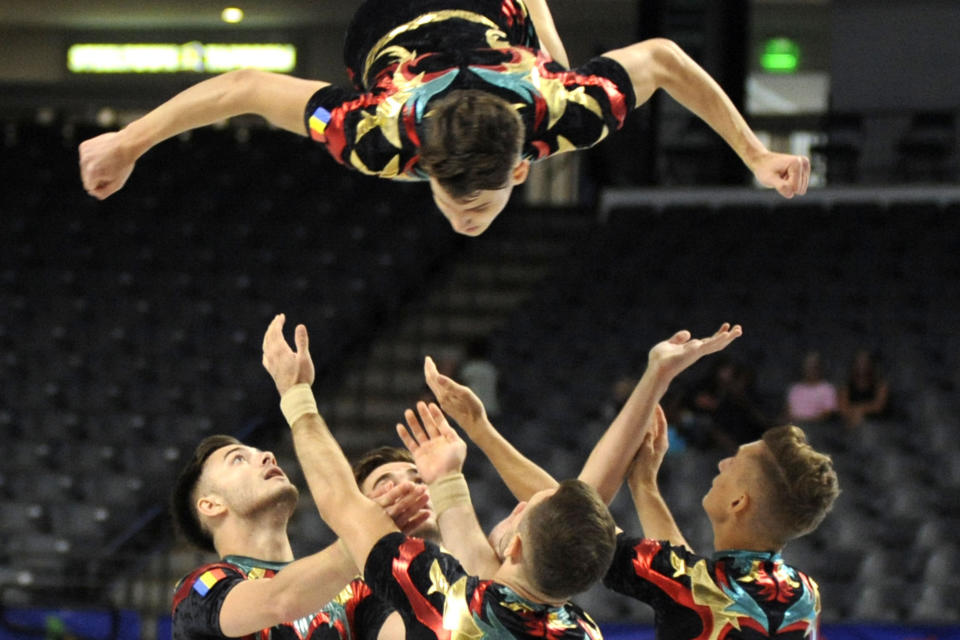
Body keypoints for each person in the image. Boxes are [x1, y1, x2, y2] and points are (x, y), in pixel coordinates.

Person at [78, 0, 810, 236]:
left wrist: (755, 155)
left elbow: (667, 57)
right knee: (549, 57)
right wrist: (126, 141)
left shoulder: (560, 112)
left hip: (427, 18)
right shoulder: (381, 137)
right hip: (462, 15)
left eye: (477, 201)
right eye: (462, 200)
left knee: (549, 58)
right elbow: (241, 83)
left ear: (520, 166)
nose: (466, 218)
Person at [422, 326, 840, 639]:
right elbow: (691, 577)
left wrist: (480, 429)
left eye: (735, 464)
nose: (723, 462)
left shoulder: (694, 587)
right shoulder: (805, 595)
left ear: (739, 503)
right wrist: (645, 487)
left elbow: (573, 513)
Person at [261, 313, 617, 640]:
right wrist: (451, 472)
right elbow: (491, 573)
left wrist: (296, 395)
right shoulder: (581, 629)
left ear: (517, 547)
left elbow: (340, 502)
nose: (520, 501)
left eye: (522, 510)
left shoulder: (443, 597)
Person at [168, 434, 429, 639]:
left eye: (262, 453)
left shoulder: (352, 591)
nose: (268, 456)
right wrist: (361, 536)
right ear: (211, 505)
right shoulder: (198, 589)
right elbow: (279, 601)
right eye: (238, 459)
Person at [837, 348, 889, 428]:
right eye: (859, 363)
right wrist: (856, 413)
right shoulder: (846, 387)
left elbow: (878, 406)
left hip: (877, 425)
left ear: (871, 365)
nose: (862, 367)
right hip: (850, 423)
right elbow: (843, 408)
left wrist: (860, 410)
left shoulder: (880, 385)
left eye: (865, 363)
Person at [785, 351, 838, 424]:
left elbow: (827, 415)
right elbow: (788, 412)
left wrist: (804, 421)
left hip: (817, 428)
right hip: (794, 427)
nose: (811, 370)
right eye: (808, 366)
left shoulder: (827, 389)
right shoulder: (795, 389)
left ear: (820, 368)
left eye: (814, 366)